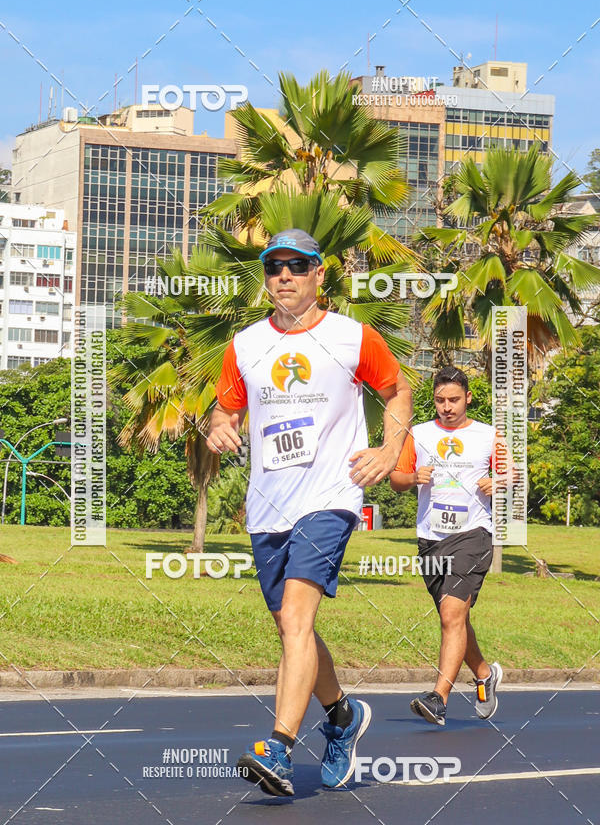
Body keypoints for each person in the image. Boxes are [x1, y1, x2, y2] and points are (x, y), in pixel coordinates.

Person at [207, 229, 412, 795]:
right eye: (274, 268)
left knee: (297, 618)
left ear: (320, 274)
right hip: (268, 504)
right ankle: (342, 716)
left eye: (297, 266)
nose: (285, 276)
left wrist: (389, 449)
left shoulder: (353, 337)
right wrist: (221, 427)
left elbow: (397, 391)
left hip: (330, 497)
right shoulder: (245, 344)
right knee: (290, 626)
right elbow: (224, 412)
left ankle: (278, 747)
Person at [390, 366, 503, 727]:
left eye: (454, 399)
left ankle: (438, 697)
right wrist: (411, 477)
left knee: (452, 614)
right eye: (440, 400)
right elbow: (395, 479)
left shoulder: (489, 436)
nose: (447, 407)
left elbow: (512, 475)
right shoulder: (418, 435)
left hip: (473, 534)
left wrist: (497, 482)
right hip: (430, 538)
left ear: (468, 398)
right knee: (455, 617)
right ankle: (484, 673)